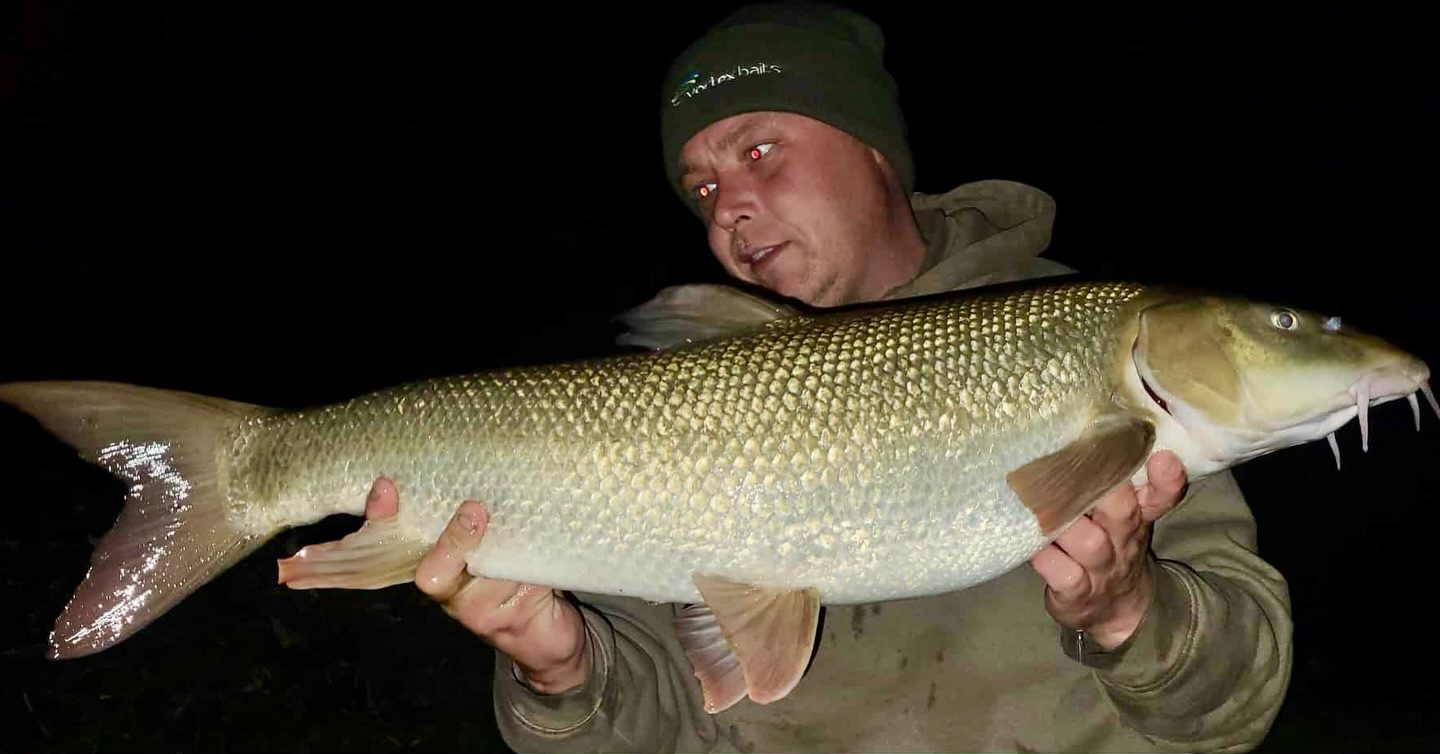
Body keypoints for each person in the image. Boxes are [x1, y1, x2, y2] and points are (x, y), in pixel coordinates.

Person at [363, 3, 1293, 751]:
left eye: (759, 152)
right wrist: (565, 674)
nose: (729, 205)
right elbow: (640, 727)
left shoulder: (1081, 341)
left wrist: (1134, 611)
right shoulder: (671, 400)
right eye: (702, 187)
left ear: (873, 150)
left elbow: (1234, 709)